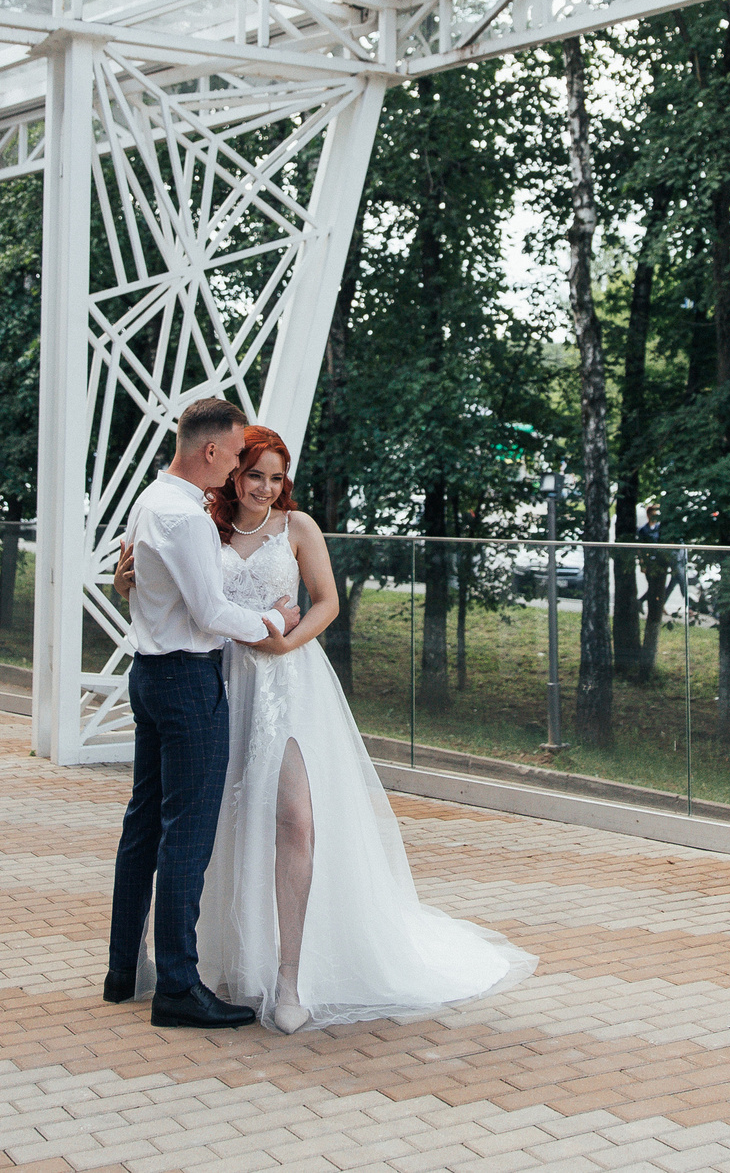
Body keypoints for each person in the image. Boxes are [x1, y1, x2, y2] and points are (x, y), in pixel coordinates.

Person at [120, 426, 534, 1033]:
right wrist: (125, 579)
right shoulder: (201, 526)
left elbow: (327, 602)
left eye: (276, 476)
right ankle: (226, 964)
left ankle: (290, 979)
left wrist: (285, 642)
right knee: (222, 825)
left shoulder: (299, 528)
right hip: (222, 679)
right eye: (254, 473)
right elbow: (166, 586)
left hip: (288, 681)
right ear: (232, 473)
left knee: (296, 820)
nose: (265, 487)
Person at [104, 398, 301, 1030]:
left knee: (142, 827)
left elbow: (144, 580)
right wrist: (274, 622)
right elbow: (213, 614)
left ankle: (121, 970)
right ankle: (179, 989)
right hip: (188, 682)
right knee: (185, 835)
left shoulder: (151, 500)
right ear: (211, 452)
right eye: (237, 454)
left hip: (149, 675)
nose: (240, 465)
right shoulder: (187, 517)